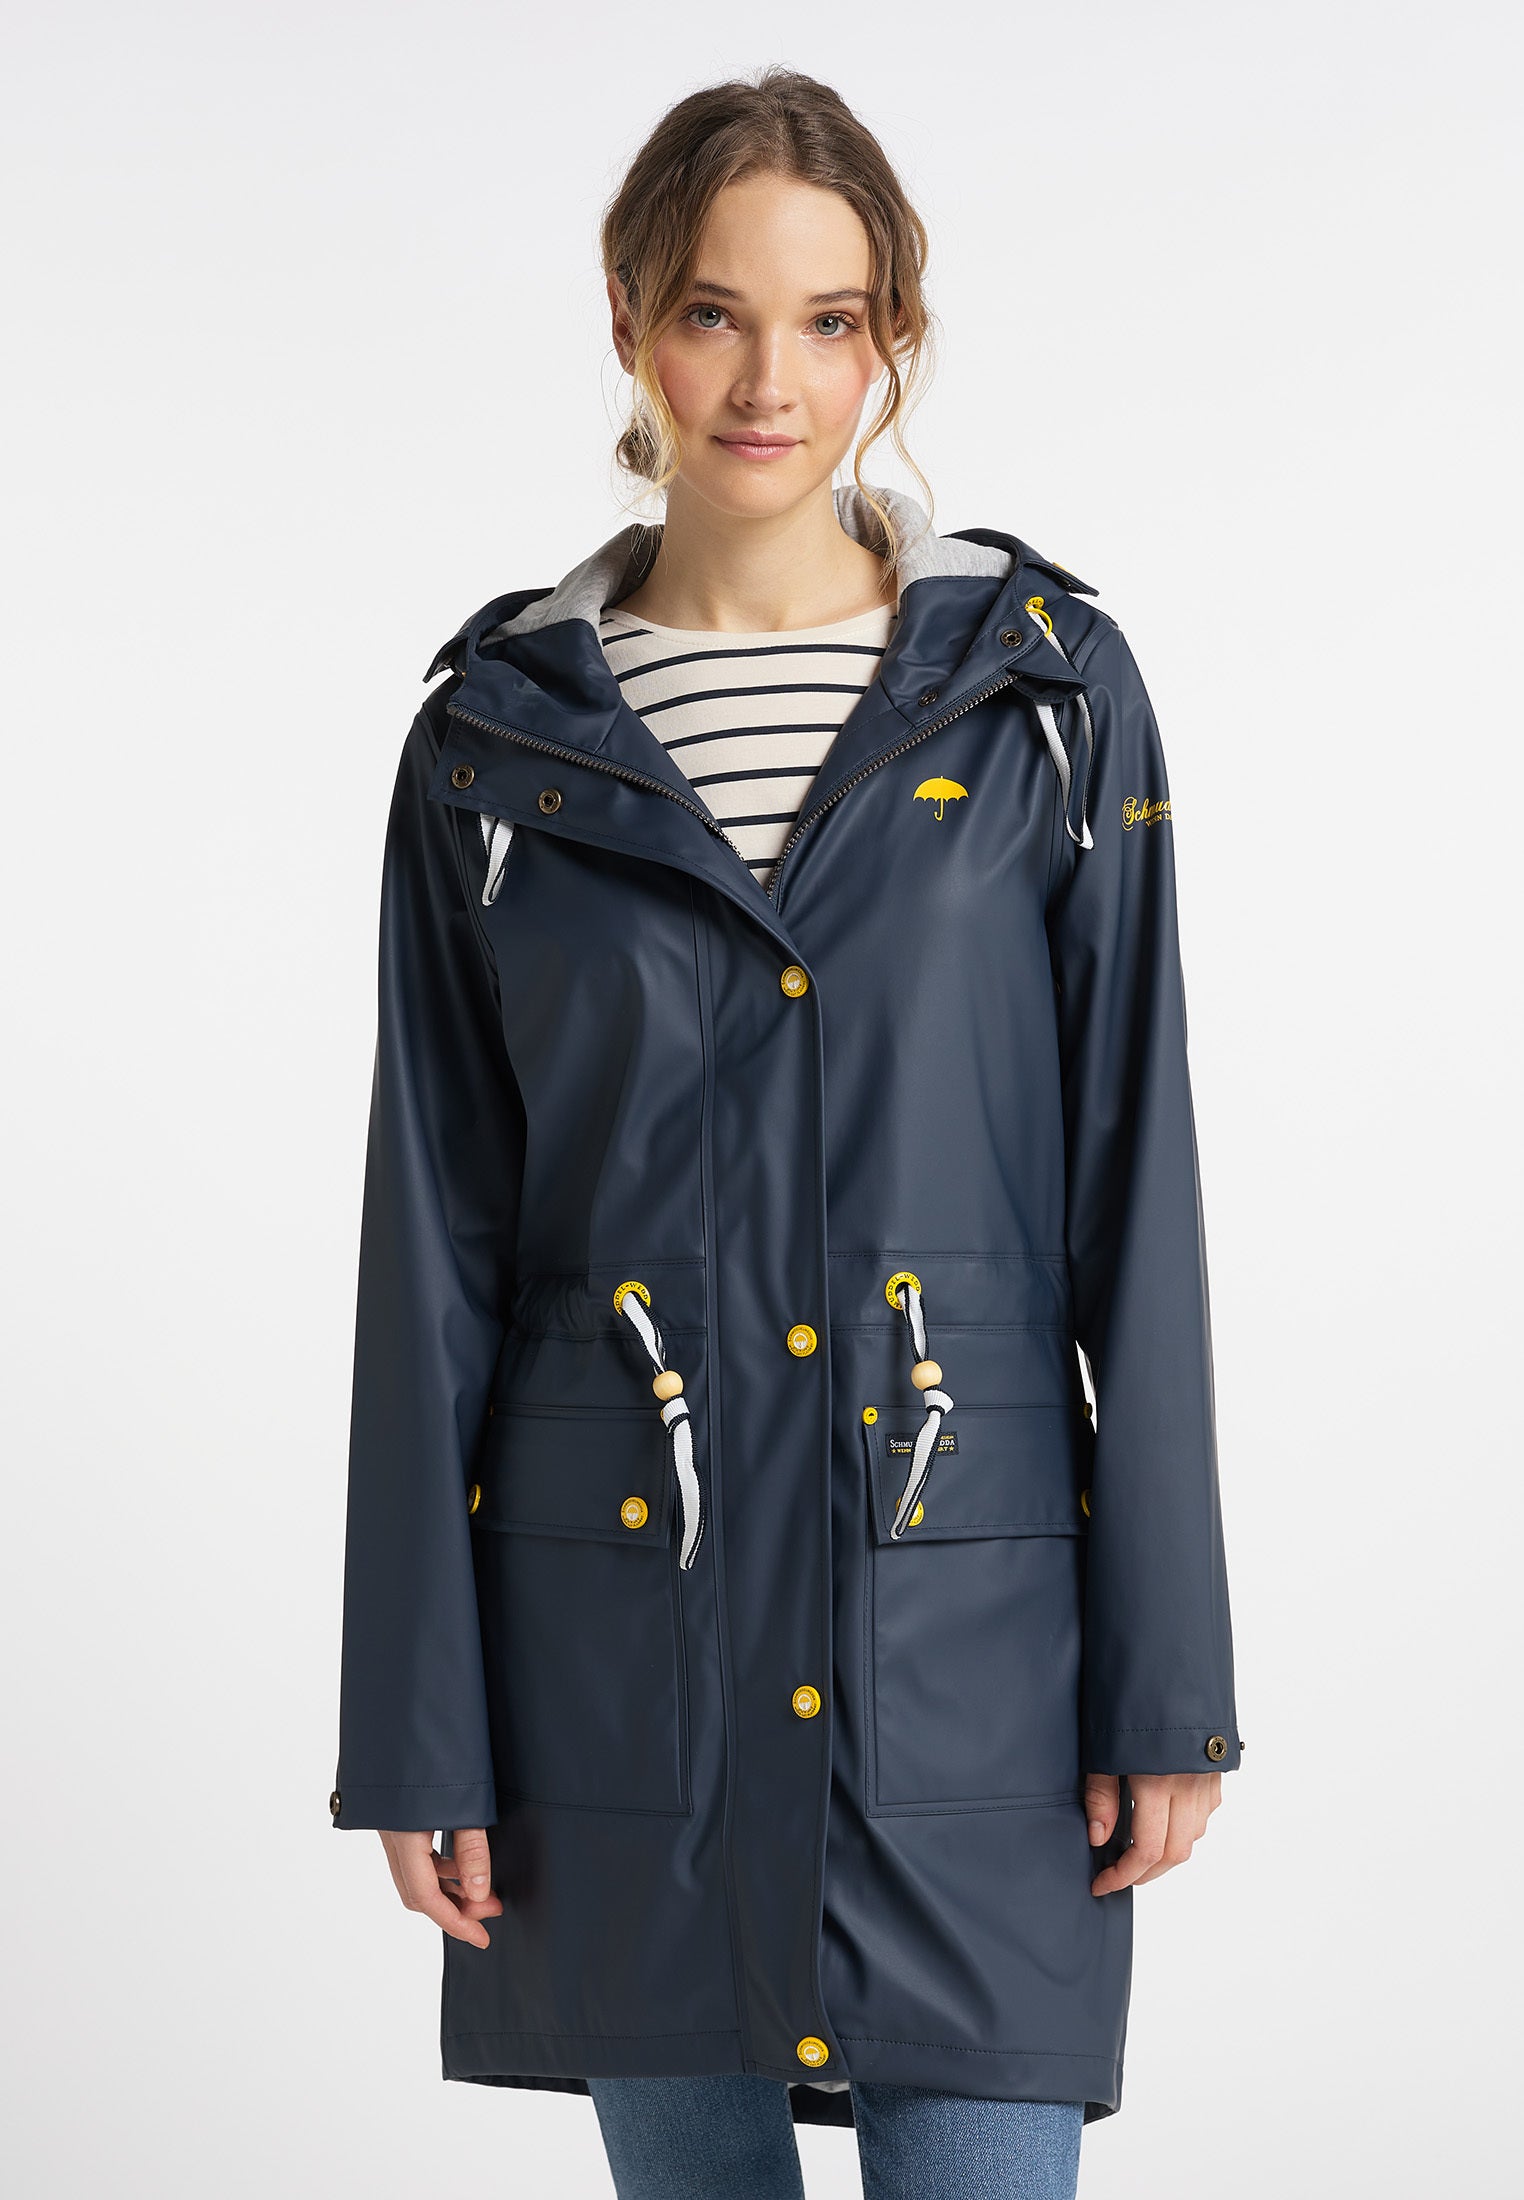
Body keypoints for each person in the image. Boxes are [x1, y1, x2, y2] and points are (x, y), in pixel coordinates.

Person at [330, 65, 1242, 2200]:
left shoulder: (1043, 697)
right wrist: (418, 1724)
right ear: (632, 325)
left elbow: (1141, 1187)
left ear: (892, 339)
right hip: (624, 1654)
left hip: (974, 1653)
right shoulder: (496, 743)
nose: (770, 382)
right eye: (714, 314)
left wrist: (1170, 1679)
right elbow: (433, 1249)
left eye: (829, 321)